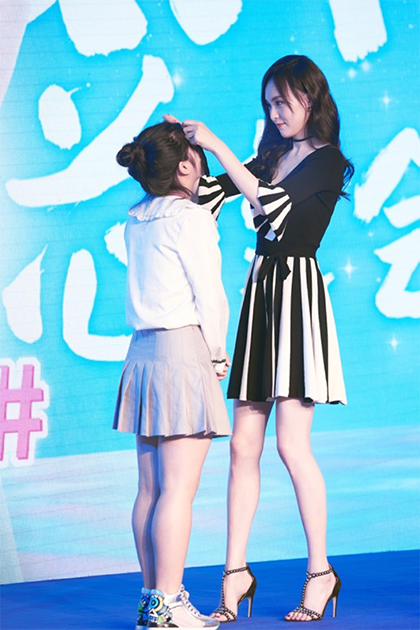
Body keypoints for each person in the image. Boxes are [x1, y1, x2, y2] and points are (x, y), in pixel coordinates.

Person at [168, 53, 354, 623]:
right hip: (261, 294)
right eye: (269, 103)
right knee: (242, 446)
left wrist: (218, 144)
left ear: (310, 99)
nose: (275, 113)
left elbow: (273, 210)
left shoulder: (328, 161)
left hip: (297, 299)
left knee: (291, 446)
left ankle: (320, 573)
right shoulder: (270, 155)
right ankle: (235, 573)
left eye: (283, 102)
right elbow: (208, 195)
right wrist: (179, 153)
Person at [112, 121, 232, 630]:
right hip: (182, 351)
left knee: (151, 490)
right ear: (185, 165)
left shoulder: (136, 218)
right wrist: (219, 355)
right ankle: (168, 603)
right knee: (178, 490)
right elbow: (211, 297)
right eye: (195, 153)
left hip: (142, 353)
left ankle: (153, 601)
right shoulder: (190, 218)